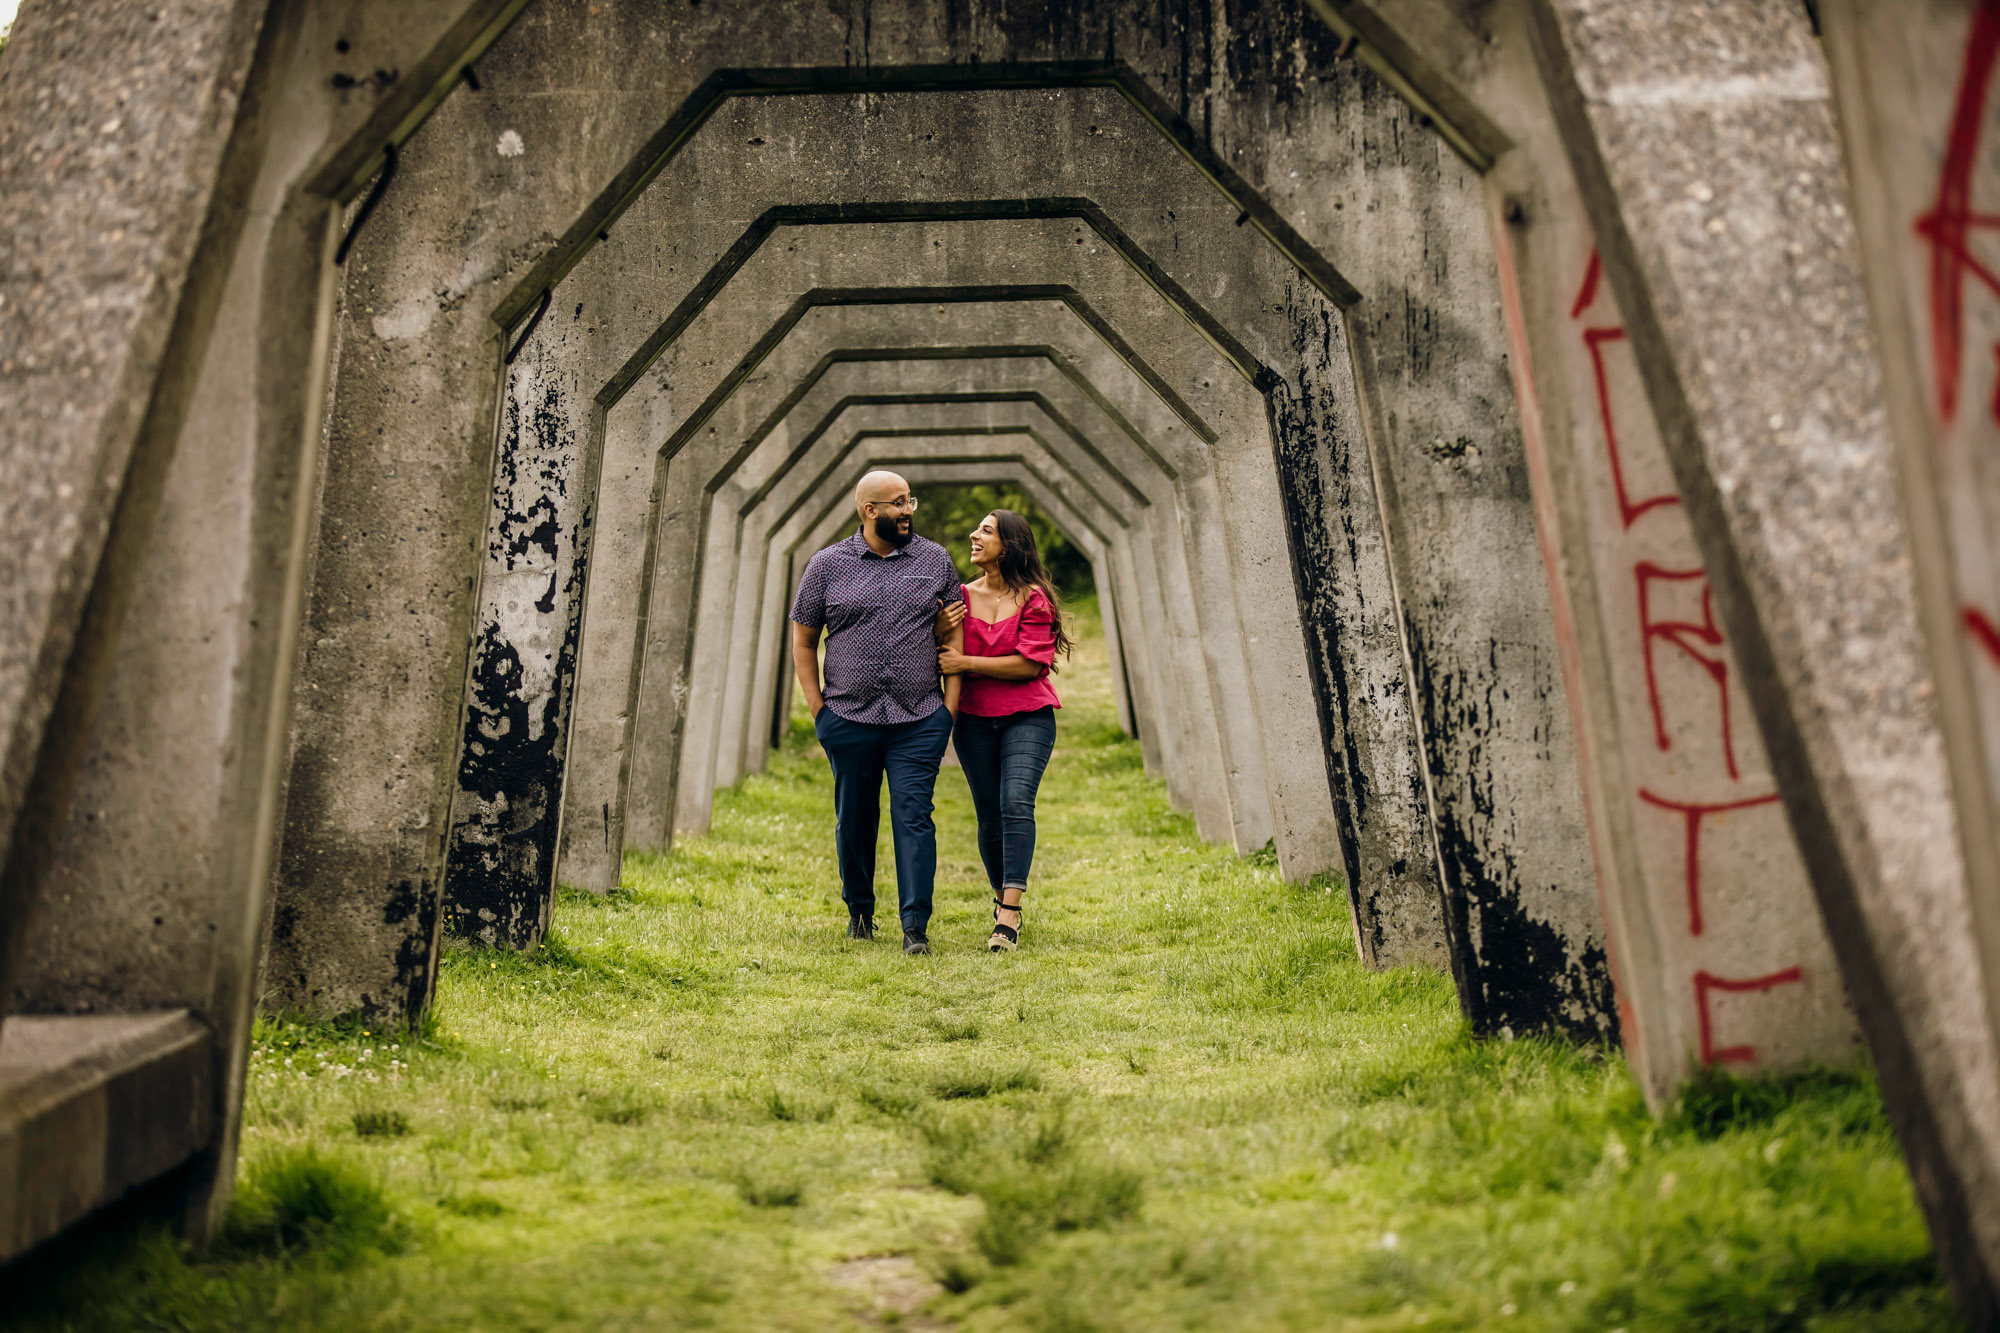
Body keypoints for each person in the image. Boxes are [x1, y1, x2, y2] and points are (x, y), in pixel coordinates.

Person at [790, 471, 962, 955]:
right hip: (848, 718)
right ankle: (860, 912)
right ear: (870, 511)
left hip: (919, 718)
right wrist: (818, 710)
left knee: (914, 818)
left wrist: (948, 710)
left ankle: (915, 928)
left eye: (911, 501)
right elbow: (803, 641)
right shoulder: (826, 565)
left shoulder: (935, 561)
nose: (909, 511)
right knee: (854, 819)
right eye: (899, 503)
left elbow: (953, 636)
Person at [936, 510, 1073, 952]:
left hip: (1026, 715)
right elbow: (941, 650)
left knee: (1015, 801)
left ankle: (1009, 914)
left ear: (1009, 545)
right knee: (989, 815)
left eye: (987, 531)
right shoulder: (959, 597)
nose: (974, 535)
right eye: (976, 528)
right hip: (974, 720)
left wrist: (967, 663)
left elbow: (1029, 664)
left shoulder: (1035, 599)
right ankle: (1001, 900)